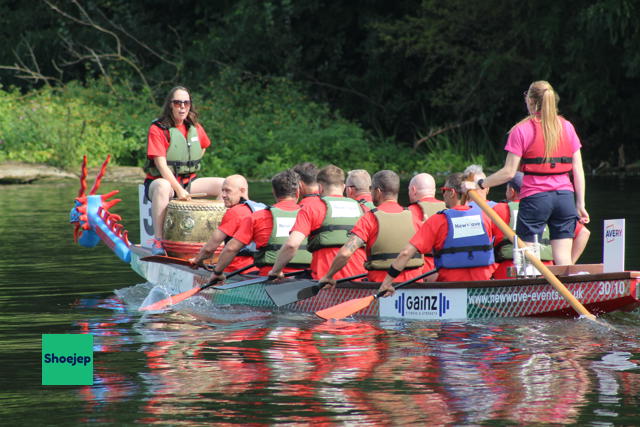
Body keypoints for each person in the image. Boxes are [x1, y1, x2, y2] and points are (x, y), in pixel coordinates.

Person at [463, 80, 589, 266]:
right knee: (563, 259)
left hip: (536, 199)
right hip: (565, 198)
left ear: (530, 100)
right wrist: (580, 203)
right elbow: (578, 169)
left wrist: (480, 184)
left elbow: (508, 172)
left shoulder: (520, 130)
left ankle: (529, 293)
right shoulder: (567, 127)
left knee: (526, 259)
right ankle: (565, 292)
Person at [378, 173, 499, 295]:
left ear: (451, 192)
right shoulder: (486, 217)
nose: (443, 196)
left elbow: (405, 253)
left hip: (450, 291)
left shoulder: (439, 220)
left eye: (443, 191)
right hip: (483, 291)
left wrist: (387, 283)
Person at [143, 86, 224, 255]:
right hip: (160, 182)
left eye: (186, 103)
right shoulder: (158, 129)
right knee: (164, 186)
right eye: (178, 102)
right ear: (170, 105)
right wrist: (178, 189)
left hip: (188, 182)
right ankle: (158, 241)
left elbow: (204, 146)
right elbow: (161, 166)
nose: (182, 107)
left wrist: (190, 166)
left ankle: (215, 238)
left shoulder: (195, 127)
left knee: (225, 185)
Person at [319, 170, 424, 286]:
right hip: (413, 290)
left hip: (380, 289)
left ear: (378, 191)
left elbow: (345, 254)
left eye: (371, 190)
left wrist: (328, 276)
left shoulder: (370, 218)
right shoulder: (415, 217)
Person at [207, 169, 311, 281]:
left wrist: (217, 272)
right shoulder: (311, 215)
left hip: (269, 279)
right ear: (298, 192)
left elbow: (231, 248)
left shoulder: (258, 216)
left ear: (274, 192)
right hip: (305, 279)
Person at [269, 164, 367, 280]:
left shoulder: (312, 207)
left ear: (320, 187)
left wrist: (276, 271)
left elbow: (291, 245)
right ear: (344, 187)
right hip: (360, 282)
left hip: (324, 281)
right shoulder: (363, 209)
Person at [190, 174, 264, 273]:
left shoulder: (235, 212)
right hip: (261, 269)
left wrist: (197, 260)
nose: (223, 195)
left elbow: (209, 248)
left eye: (228, 191)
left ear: (242, 191)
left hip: (236, 271)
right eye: (222, 190)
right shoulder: (262, 208)